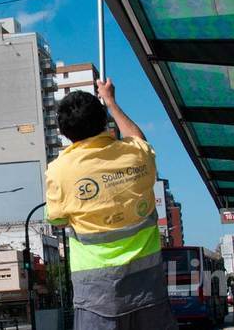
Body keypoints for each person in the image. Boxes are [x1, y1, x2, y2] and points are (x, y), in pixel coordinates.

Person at [45, 78, 178, 330]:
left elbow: (57, 218)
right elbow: (138, 137)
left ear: (64, 133)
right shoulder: (136, 154)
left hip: (96, 296)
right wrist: (111, 102)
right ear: (104, 121)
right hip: (148, 289)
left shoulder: (58, 171)